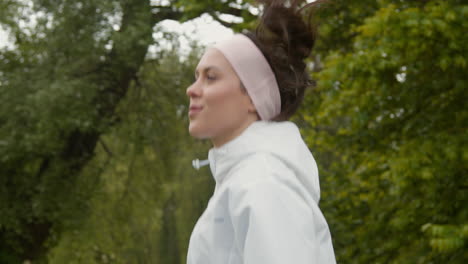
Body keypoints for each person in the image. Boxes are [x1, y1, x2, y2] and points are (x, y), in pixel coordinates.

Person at [185, 0, 336, 263]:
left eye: (211, 77)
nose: (192, 89)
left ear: (254, 98)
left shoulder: (263, 182)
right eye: (196, 76)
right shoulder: (246, 180)